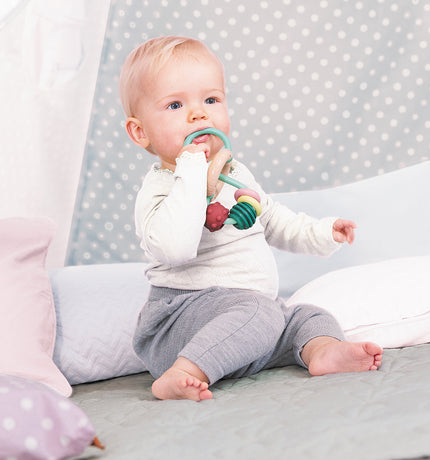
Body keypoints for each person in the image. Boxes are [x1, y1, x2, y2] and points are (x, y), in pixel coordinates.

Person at [119, 35, 383, 402]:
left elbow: (272, 219)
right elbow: (175, 247)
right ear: (140, 131)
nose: (199, 114)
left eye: (210, 100)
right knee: (259, 312)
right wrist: (193, 168)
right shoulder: (160, 188)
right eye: (176, 104)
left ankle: (322, 352)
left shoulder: (235, 173)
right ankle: (183, 372)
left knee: (304, 316)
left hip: (244, 321)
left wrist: (324, 232)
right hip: (179, 321)